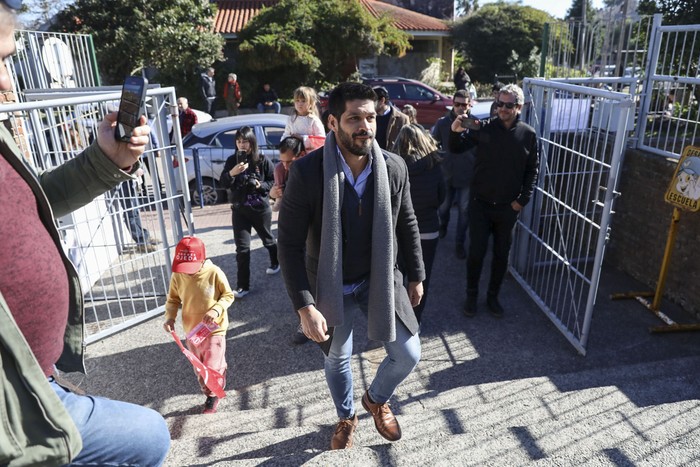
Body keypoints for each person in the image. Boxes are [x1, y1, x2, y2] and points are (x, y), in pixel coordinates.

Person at [0, 2, 170, 465]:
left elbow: (34, 205)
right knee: (148, 437)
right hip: (14, 418)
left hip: (37, 380)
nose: (7, 84)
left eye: (7, 61)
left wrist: (106, 159)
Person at [277, 82, 425, 450]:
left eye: (370, 117)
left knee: (409, 353)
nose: (365, 126)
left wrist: (417, 274)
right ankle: (347, 416)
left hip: (379, 277)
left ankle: (375, 400)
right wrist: (304, 305)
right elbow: (289, 244)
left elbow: (406, 222)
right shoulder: (308, 172)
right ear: (332, 122)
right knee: (338, 359)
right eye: (354, 118)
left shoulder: (393, 166)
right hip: (331, 285)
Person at [449, 84, 539, 318]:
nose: (502, 109)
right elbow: (456, 147)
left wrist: (522, 200)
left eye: (508, 105)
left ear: (519, 107)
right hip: (480, 204)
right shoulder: (484, 128)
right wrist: (455, 129)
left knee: (501, 255)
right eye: (499, 103)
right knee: (476, 253)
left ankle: (493, 297)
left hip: (508, 208)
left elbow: (532, 170)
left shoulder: (528, 134)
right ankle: (471, 296)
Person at [163, 236, 234, 414]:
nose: (188, 272)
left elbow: (228, 295)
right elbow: (172, 299)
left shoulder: (214, 272)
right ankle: (215, 378)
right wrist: (170, 317)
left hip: (214, 329)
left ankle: (212, 395)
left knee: (210, 367)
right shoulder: (178, 275)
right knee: (200, 369)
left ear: (202, 258)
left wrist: (216, 309)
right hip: (192, 330)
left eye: (191, 268)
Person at [392, 124, 445, 325]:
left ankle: (398, 320)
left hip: (399, 233)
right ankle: (415, 322)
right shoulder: (435, 166)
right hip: (427, 231)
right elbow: (441, 197)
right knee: (421, 279)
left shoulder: (393, 166)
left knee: (398, 278)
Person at [219, 126, 279, 298]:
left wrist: (260, 186)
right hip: (239, 210)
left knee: (268, 240)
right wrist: (232, 172)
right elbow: (224, 183)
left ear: (252, 142)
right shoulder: (232, 161)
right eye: (238, 141)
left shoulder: (261, 160)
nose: (241, 144)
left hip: (260, 209)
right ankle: (242, 286)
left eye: (245, 141)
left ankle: (276, 262)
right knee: (242, 249)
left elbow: (272, 181)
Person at [431, 90, 475, 260]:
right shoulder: (442, 123)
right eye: (457, 104)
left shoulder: (475, 123)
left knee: (465, 212)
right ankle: (443, 225)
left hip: (468, 175)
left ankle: (459, 243)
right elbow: (433, 145)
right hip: (446, 173)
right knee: (443, 208)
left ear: (469, 104)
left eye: (464, 104)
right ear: (452, 104)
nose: (461, 108)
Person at [281, 85, 326, 151]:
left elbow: (321, 140)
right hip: (294, 156)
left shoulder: (314, 120)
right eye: (297, 100)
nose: (300, 104)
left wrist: (302, 138)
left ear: (311, 103)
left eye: (303, 101)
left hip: (310, 156)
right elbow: (285, 135)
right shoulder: (291, 119)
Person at [271, 135, 306, 213]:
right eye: (282, 162)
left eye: (290, 162)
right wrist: (274, 193)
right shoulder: (281, 170)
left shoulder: (311, 173)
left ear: (302, 155)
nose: (286, 167)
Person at [372, 86, 409, 150]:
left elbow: (406, 144)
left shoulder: (402, 119)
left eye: (373, 102)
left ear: (382, 101)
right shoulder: (369, 118)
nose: (370, 105)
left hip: (392, 158)